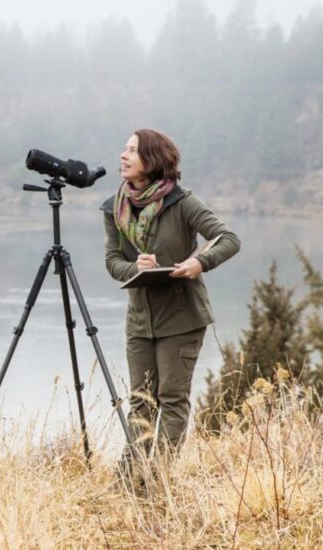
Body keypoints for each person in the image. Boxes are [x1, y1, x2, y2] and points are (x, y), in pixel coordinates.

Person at [101, 128, 240, 470]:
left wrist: (199, 262)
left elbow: (228, 238)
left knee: (172, 400)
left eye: (132, 150)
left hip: (182, 317)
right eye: (124, 149)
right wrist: (134, 265)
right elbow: (112, 261)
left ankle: (159, 479)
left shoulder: (182, 201)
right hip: (139, 320)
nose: (123, 155)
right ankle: (131, 479)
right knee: (141, 402)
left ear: (153, 159)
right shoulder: (114, 208)